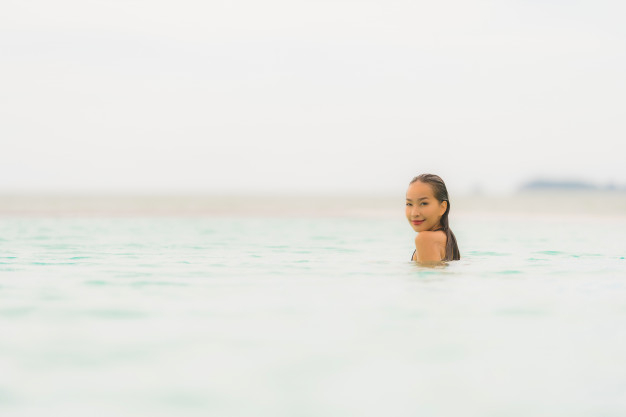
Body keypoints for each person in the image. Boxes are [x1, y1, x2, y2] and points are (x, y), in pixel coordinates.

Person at [406, 174, 460, 262]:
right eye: (409, 204)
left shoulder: (425, 239)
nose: (414, 213)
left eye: (423, 203)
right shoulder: (447, 239)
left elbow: (428, 275)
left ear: (442, 207)